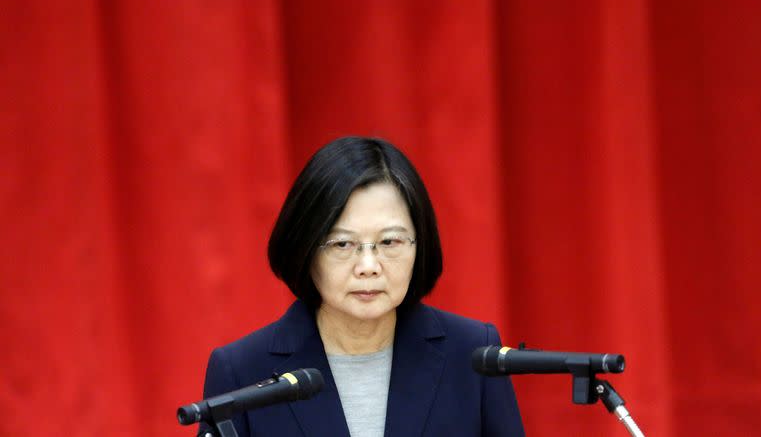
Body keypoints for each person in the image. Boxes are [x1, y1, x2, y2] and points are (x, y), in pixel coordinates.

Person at [199, 136, 524, 436]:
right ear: (306, 248)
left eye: (389, 241)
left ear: (419, 245)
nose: (368, 267)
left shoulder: (473, 354)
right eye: (342, 245)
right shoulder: (241, 370)